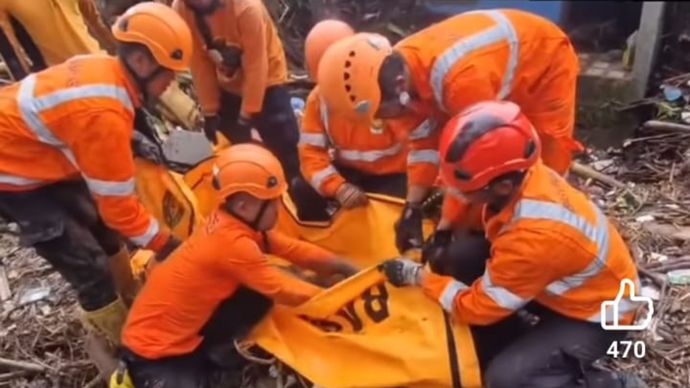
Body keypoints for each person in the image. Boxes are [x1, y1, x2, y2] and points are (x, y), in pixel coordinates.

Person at [379, 101, 647, 388]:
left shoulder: (533, 238)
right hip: (562, 286)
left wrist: (417, 276)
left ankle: (610, 384)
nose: (451, 190)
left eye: (464, 187)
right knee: (460, 256)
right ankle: (523, 340)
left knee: (506, 379)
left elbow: (477, 307)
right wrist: (443, 230)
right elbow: (470, 197)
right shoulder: (523, 172)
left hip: (597, 316)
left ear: (502, 186)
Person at [0, 1, 190, 375]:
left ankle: (134, 300)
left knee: (104, 232)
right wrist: (167, 244)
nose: (170, 84)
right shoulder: (102, 114)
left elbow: (81, 123)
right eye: (168, 74)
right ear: (140, 62)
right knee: (89, 266)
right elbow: (119, 209)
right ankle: (133, 351)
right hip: (11, 172)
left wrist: (132, 140)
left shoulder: (106, 71)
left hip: (38, 154)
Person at [316, 9, 583, 253]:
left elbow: (475, 162)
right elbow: (424, 146)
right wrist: (413, 205)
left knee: (542, 160)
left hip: (544, 61)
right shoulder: (394, 70)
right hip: (490, 73)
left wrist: (445, 228)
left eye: (380, 113)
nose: (383, 121)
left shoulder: (460, 81)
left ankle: (547, 237)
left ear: (399, 86)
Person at [119, 143, 359, 387]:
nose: (279, 209)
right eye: (273, 202)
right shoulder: (232, 244)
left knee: (255, 297)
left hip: (190, 328)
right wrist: (339, 299)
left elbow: (294, 250)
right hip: (153, 352)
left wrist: (343, 267)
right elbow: (282, 289)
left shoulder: (235, 223)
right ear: (244, 205)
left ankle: (217, 354)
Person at [171, 0, 323, 221]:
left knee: (287, 150)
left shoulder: (246, 8)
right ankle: (259, 213)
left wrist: (247, 113)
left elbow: (256, 64)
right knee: (239, 154)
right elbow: (199, 62)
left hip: (268, 80)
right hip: (228, 82)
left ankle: (311, 210)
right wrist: (210, 110)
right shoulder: (182, 10)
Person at [299, 19, 410, 212]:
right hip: (351, 174)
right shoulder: (318, 101)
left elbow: (422, 145)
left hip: (396, 176)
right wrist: (337, 187)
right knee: (302, 188)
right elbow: (310, 154)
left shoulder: (385, 89)